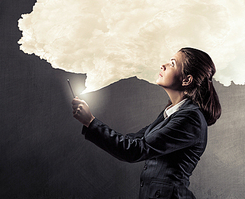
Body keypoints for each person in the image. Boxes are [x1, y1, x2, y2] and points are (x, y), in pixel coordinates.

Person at [72, 47, 221, 199]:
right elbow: (133, 141)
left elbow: (134, 150)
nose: (163, 65)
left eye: (172, 63)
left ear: (186, 80)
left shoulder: (190, 119)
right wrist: (90, 123)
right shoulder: (171, 114)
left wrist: (91, 122)